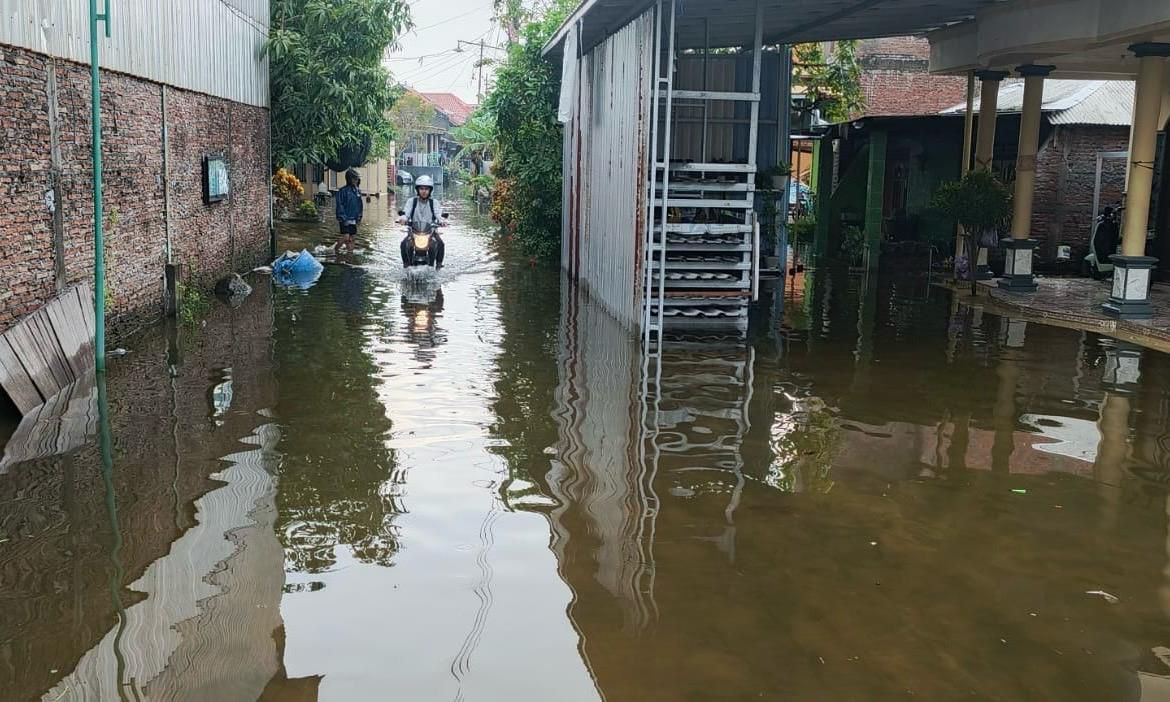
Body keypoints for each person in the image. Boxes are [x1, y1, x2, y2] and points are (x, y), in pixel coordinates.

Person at [398, 175, 446, 269]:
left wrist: (442, 221)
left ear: (430, 190)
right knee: (404, 244)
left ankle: (438, 266)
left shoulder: (434, 202)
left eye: (426, 189)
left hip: (430, 232)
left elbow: (438, 214)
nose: (424, 191)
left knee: (440, 243)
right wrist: (403, 219)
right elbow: (406, 213)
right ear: (418, 190)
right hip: (414, 231)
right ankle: (406, 265)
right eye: (421, 188)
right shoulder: (412, 201)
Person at [334, 168, 363, 254]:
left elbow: (360, 205)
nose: (357, 180)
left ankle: (349, 254)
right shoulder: (342, 191)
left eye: (357, 178)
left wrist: (359, 217)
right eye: (355, 178)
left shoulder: (357, 191)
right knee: (346, 237)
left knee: (352, 238)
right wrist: (343, 218)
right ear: (350, 179)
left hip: (353, 218)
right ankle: (335, 250)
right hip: (345, 218)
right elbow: (340, 205)